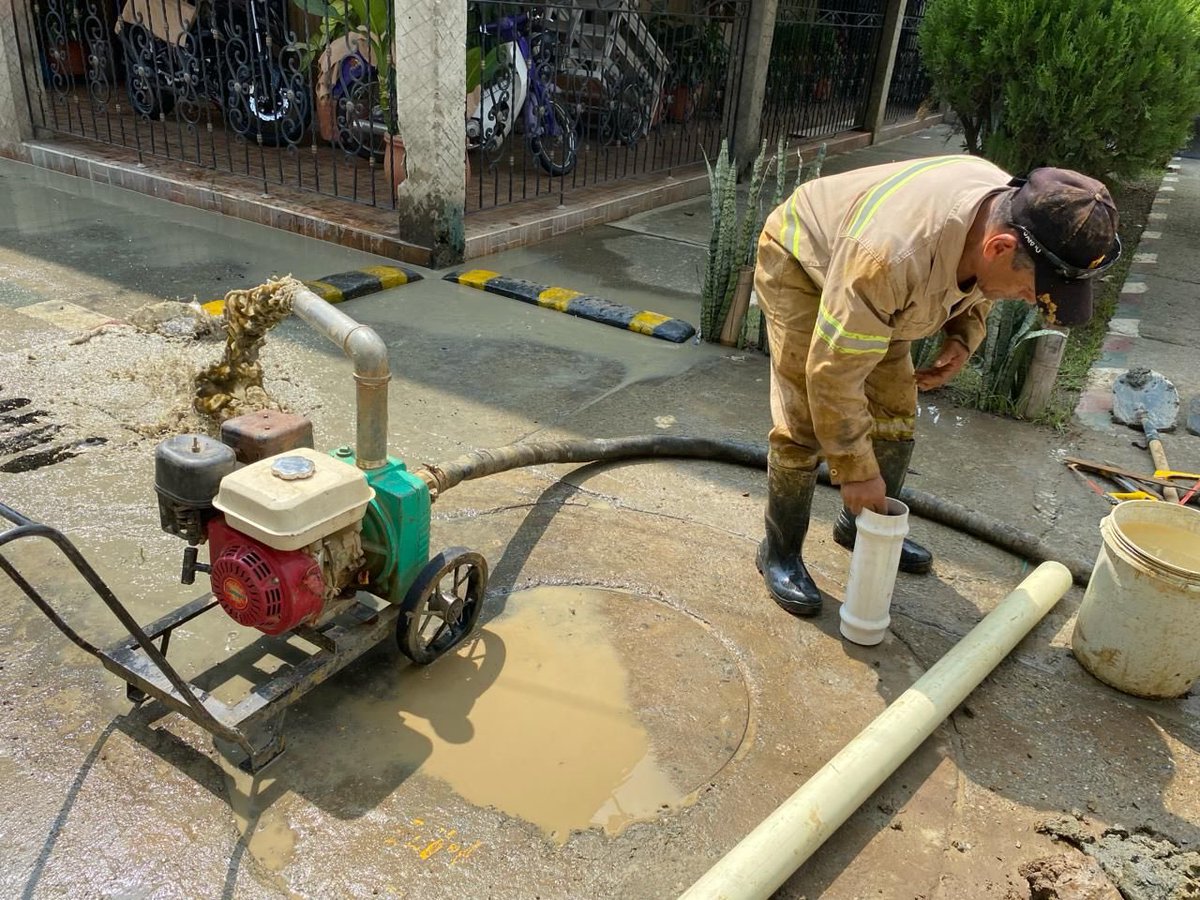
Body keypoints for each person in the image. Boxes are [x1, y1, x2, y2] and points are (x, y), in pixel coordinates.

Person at [754, 156, 1121, 617]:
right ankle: (779, 551)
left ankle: (862, 526)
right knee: (805, 421)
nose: (1031, 300)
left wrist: (963, 336)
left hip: (879, 282)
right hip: (804, 260)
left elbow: (982, 281)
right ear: (1000, 248)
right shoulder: (887, 258)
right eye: (1033, 290)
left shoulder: (1003, 213)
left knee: (895, 407)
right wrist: (855, 469)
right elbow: (831, 374)